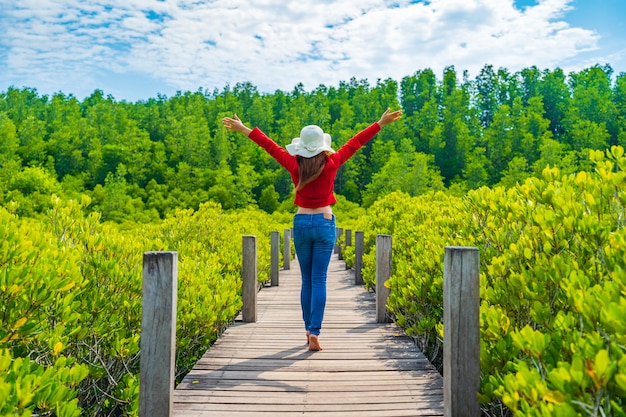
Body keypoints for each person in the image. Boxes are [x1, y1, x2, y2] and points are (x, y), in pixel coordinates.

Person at [222, 108, 402, 351]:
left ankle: (308, 330)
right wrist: (380, 123)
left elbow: (268, 145)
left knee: (306, 280)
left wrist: (243, 128)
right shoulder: (332, 162)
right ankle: (315, 330)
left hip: (302, 223)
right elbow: (356, 142)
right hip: (325, 222)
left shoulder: (293, 164)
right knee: (319, 279)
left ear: (301, 146)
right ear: (323, 146)